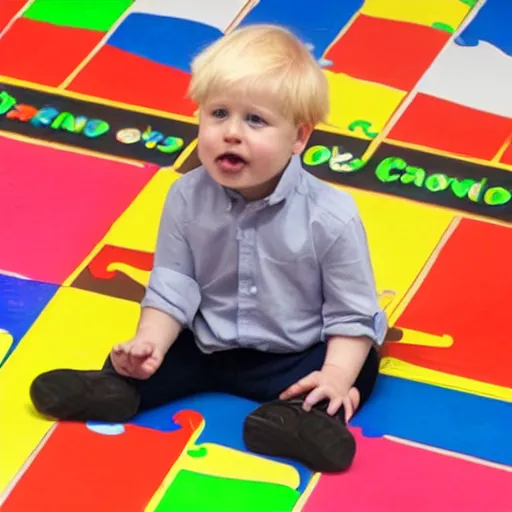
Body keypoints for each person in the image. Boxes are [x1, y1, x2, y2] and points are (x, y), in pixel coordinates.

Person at [30, 24, 387, 473]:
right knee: (154, 354)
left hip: (292, 352)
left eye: (255, 120)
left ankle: (303, 418)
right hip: (207, 344)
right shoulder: (185, 196)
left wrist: (337, 376)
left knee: (356, 365)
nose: (231, 133)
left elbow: (351, 312)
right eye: (218, 113)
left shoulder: (332, 216)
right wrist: (147, 344)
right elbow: (172, 286)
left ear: (299, 138)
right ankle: (118, 386)